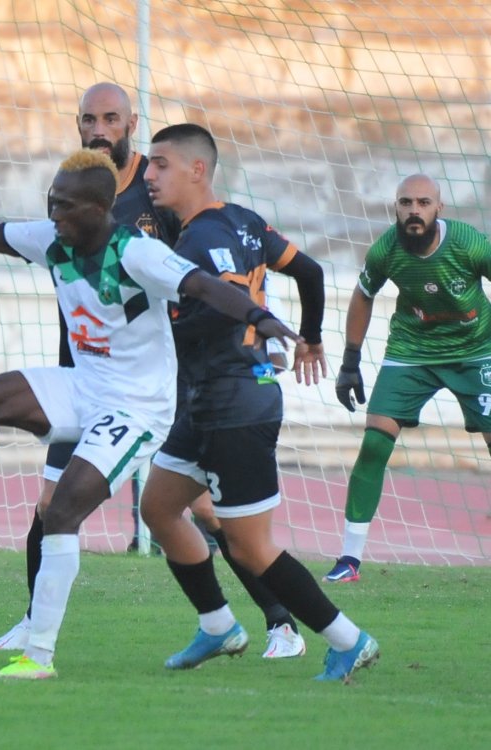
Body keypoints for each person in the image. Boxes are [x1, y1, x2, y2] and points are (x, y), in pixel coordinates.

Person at [0, 130, 300, 679]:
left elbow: (203, 287)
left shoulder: (136, 252)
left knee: (62, 512)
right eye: (52, 201)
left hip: (136, 406)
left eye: (64, 204)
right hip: (84, 384)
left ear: (99, 207)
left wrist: (258, 317)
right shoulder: (53, 240)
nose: (53, 213)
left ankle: (38, 657)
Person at [0, 84, 305, 663]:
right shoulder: (75, 188)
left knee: (201, 509)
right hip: (84, 378)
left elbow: (204, 277)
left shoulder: (157, 194)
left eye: (111, 118)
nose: (99, 129)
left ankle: (279, 619)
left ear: (131, 124)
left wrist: (256, 328)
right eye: (89, 119)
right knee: (52, 505)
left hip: (158, 383)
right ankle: (33, 624)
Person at [139, 123, 379, 682]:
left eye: (160, 164)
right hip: (210, 402)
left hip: (234, 404)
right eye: (148, 164)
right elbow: (309, 271)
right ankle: (218, 626)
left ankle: (349, 640)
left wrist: (156, 328)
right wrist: (311, 337)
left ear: (197, 169)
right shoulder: (244, 221)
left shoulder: (197, 241)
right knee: (158, 508)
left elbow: (219, 308)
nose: (149, 175)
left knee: (250, 547)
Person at [326, 174, 491, 583]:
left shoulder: (469, 243)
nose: (414, 210)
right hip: (411, 351)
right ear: (395, 208)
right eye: (406, 203)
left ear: (439, 208)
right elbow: (363, 295)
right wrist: (350, 362)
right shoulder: (385, 250)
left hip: (475, 351)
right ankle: (349, 560)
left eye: (423, 202)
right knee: (374, 442)